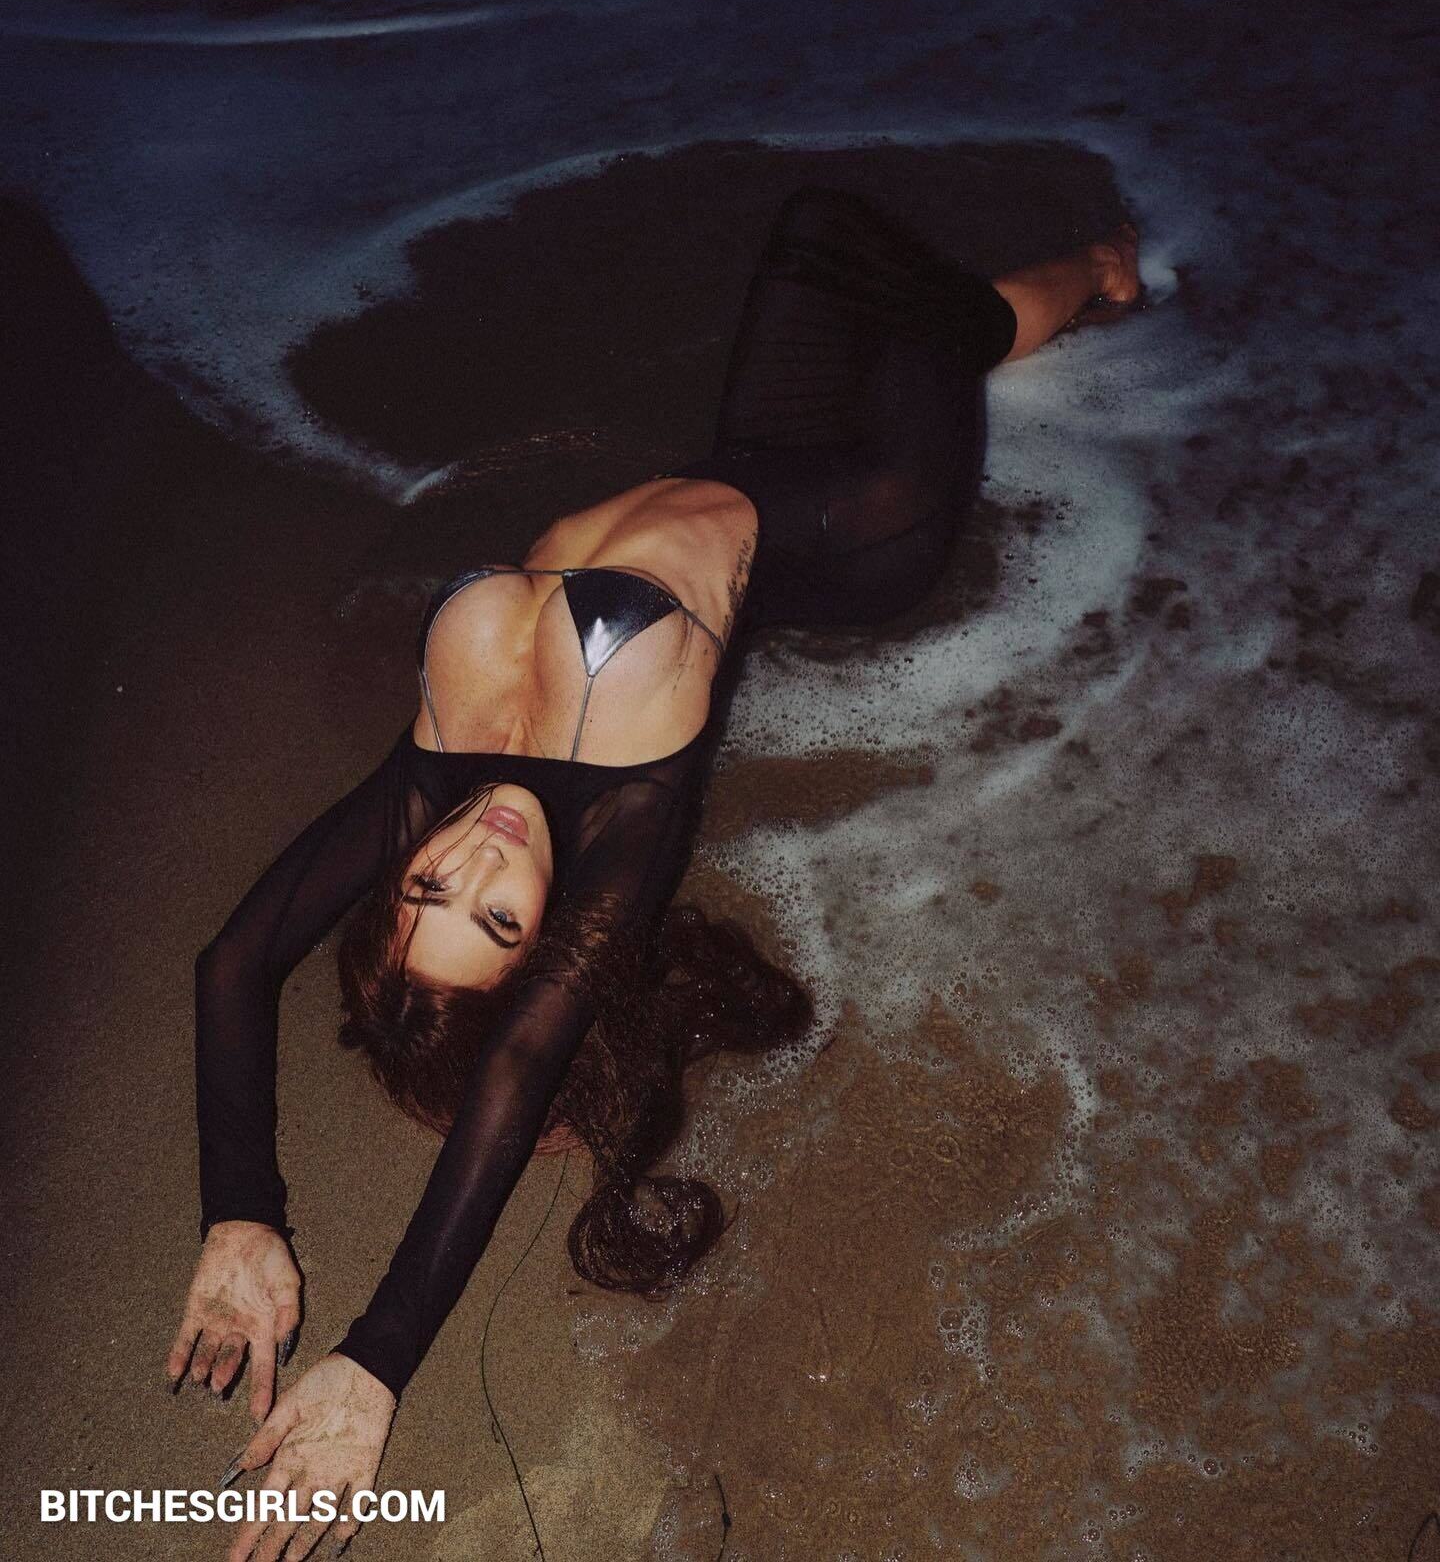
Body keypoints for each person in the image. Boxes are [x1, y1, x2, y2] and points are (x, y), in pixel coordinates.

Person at [164, 186, 1141, 1561]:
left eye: (431, 891)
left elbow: (232, 962)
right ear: (551, 930)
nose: (481, 856)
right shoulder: (624, 825)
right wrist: (375, 1358)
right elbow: (515, 1073)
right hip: (869, 521)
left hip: (747, 464)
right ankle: (1104, 269)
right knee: (939, 316)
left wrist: (241, 1216)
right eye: (501, 914)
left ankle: (1036, 289)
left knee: (819, 226)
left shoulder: (429, 788)